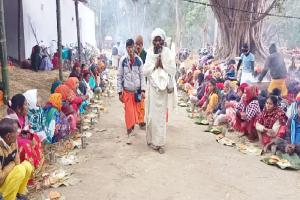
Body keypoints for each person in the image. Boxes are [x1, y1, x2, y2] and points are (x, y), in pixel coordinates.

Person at [143, 28, 177, 154]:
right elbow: (145, 70)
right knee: (152, 116)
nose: (157, 43)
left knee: (161, 117)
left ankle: (160, 144)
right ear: (152, 41)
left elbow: (173, 69)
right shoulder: (149, 52)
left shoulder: (167, 52)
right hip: (152, 89)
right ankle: (152, 141)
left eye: (159, 40)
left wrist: (162, 65)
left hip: (163, 91)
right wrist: (155, 65)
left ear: (163, 41)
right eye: (155, 40)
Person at [117, 39, 145, 144]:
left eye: (131, 47)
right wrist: (119, 92)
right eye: (128, 47)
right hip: (127, 92)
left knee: (135, 114)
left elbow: (142, 76)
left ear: (134, 47)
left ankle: (132, 128)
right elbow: (119, 76)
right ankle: (129, 134)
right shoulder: (123, 60)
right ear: (126, 48)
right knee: (129, 114)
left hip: (137, 92)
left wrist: (143, 90)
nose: (130, 49)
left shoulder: (139, 60)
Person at [7, 94, 44, 171]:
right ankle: (29, 170)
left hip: (19, 138)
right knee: (26, 145)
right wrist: (28, 139)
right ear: (18, 108)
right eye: (26, 104)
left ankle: (37, 165)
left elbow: (23, 131)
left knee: (35, 137)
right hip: (12, 143)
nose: (28, 107)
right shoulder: (11, 119)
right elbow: (13, 137)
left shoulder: (22, 116)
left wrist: (30, 135)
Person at [0, 118, 33, 200]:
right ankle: (8, 198)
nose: (18, 133)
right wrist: (12, 164)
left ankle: (19, 194)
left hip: (6, 177)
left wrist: (12, 165)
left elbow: (17, 162)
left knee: (27, 165)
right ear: (8, 136)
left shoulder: (13, 141)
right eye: (16, 131)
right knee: (19, 170)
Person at [135, 35, 147, 128]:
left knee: (141, 101)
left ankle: (141, 120)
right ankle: (135, 119)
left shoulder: (145, 54)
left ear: (142, 45)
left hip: (142, 83)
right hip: (133, 83)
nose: (138, 46)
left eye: (140, 44)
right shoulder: (132, 54)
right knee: (135, 102)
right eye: (137, 44)